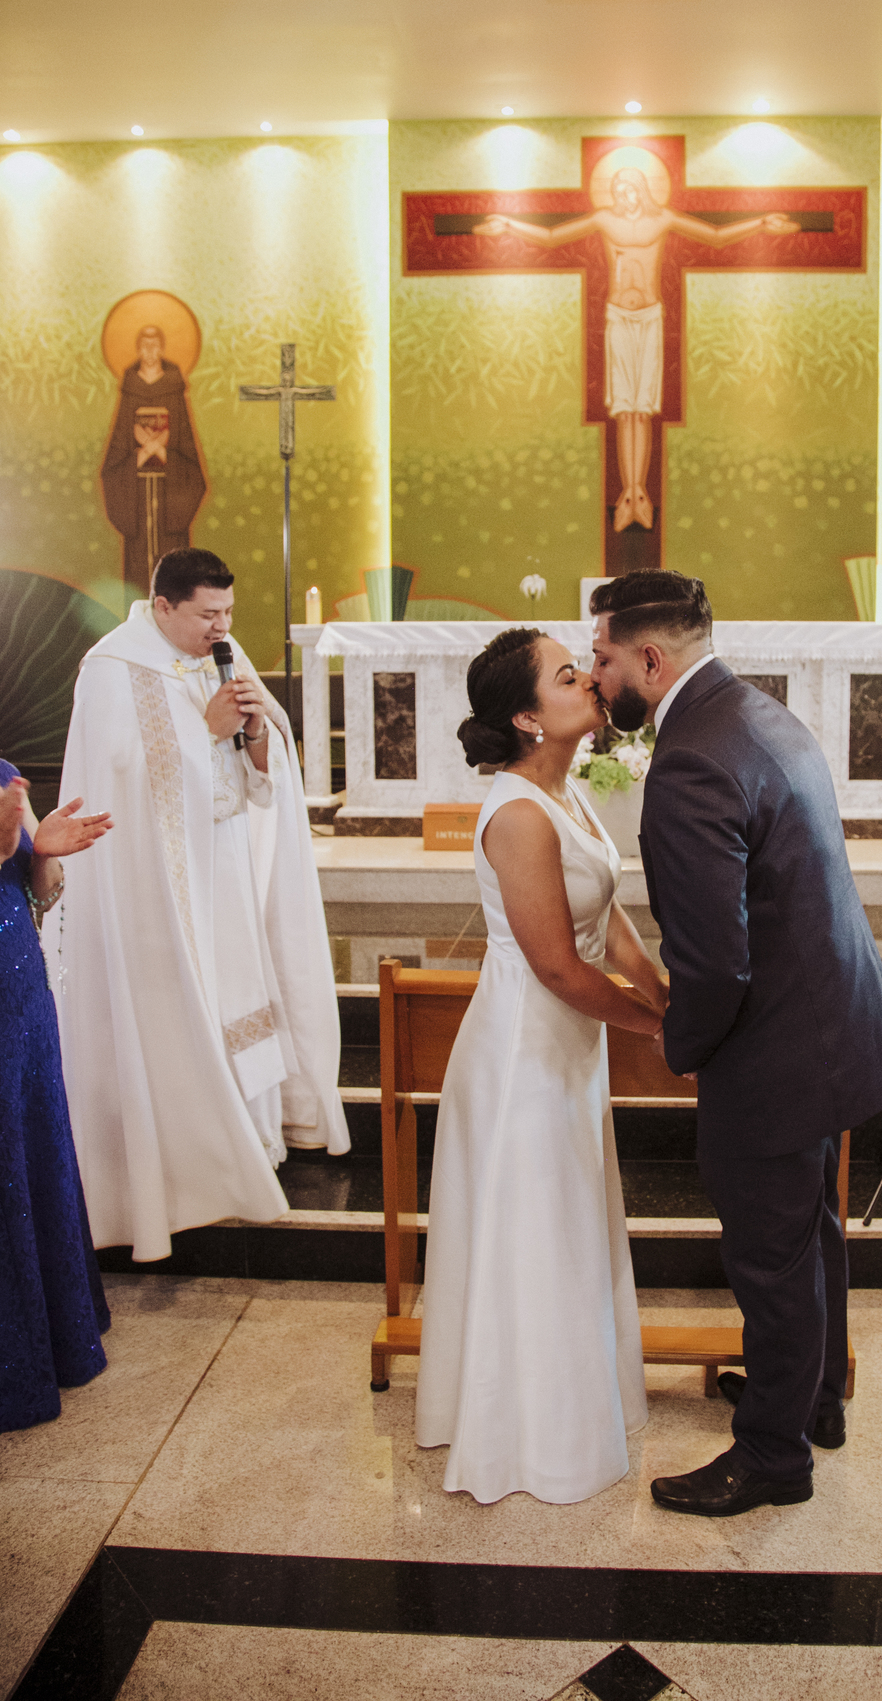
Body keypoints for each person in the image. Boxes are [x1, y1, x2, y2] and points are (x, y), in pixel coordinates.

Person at [589, 570, 882, 1518]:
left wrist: (680, 1045)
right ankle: (813, 1400)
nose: (597, 676)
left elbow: (714, 962)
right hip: (831, 1025)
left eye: (604, 659)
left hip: (776, 1052)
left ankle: (774, 1457)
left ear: (651, 660)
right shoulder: (757, 713)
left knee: (771, 1261)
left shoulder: (690, 760)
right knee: (811, 1233)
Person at [415, 627, 665, 1503]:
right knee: (534, 1230)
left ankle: (568, 1404)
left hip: (567, 1047)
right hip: (524, 1051)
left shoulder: (568, 793)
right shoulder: (518, 813)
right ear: (526, 717)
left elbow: (608, 917)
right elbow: (558, 966)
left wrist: (662, 990)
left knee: (563, 1223)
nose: (591, 680)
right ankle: (527, 1436)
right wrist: (657, 1031)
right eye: (567, 676)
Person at [47, 547, 349, 1265]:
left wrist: (255, 732)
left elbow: (264, 758)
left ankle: (255, 1137)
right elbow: (118, 776)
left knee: (238, 996)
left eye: (228, 612)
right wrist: (207, 731)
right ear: (163, 607)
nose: (222, 627)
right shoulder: (112, 668)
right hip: (155, 888)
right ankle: (186, 1171)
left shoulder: (223, 655)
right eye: (207, 614)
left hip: (224, 865)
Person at [474, 166, 792, 531]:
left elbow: (716, 236)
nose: (625, 199)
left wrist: (760, 223)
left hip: (651, 318)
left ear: (643, 190)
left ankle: (641, 492)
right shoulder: (604, 219)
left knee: (643, 411)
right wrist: (510, 225)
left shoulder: (663, 218)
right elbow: (551, 236)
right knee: (625, 410)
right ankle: (629, 493)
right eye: (618, 192)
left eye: (630, 191)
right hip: (619, 319)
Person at [1, 763, 113, 1432]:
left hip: (21, 998)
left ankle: (56, 1336)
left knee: (33, 1149)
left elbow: (38, 899)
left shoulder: (5, 780)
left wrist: (41, 855)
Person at [100, 322, 208, 595]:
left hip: (170, 495)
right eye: (144, 345)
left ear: (162, 349)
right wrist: (142, 453)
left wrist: (160, 451)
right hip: (135, 496)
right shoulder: (130, 390)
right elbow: (114, 460)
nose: (149, 351)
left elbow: (189, 458)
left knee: (173, 575)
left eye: (154, 345)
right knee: (139, 576)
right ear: (138, 350)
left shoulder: (174, 390)